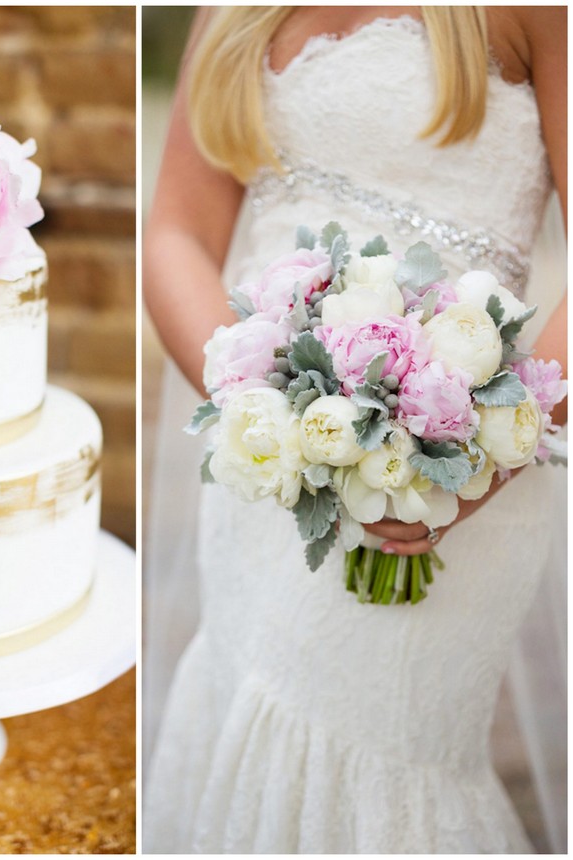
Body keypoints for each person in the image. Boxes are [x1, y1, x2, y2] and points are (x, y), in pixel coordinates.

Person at [142, 6, 566, 853]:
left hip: (457, 471)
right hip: (268, 472)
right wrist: (266, 418)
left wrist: (471, 460)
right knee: (244, 711)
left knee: (380, 762)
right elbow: (178, 232)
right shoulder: (238, 14)